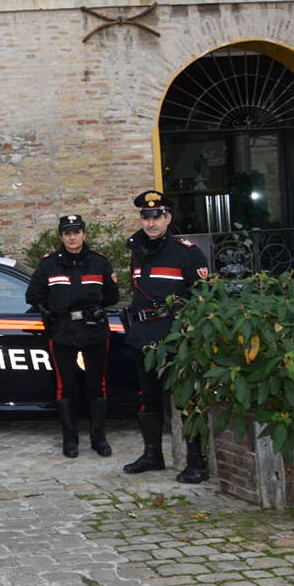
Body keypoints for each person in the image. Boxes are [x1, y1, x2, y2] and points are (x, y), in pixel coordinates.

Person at [120, 191, 211, 482]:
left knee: (185, 400)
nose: (151, 222)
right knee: (147, 399)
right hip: (144, 335)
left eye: (156, 216)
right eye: (146, 217)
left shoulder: (186, 252)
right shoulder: (137, 249)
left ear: (168, 218)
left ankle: (196, 462)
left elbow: (203, 297)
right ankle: (152, 455)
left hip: (175, 337)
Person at [25, 214, 119, 458]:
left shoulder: (100, 263)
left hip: (94, 331)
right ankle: (70, 439)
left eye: (76, 232)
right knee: (64, 387)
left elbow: (112, 296)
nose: (72, 237)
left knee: (96, 385)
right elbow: (33, 296)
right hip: (63, 332)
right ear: (61, 236)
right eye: (67, 233)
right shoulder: (48, 264)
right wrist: (49, 314)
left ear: (84, 234)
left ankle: (98, 438)